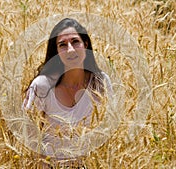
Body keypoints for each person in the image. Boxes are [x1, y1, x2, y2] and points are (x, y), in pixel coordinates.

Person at [22, 18, 112, 166]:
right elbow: (28, 137)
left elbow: (109, 131)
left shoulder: (101, 83)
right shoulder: (42, 86)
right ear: (56, 52)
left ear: (86, 45)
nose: (70, 49)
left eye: (75, 42)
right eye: (62, 45)